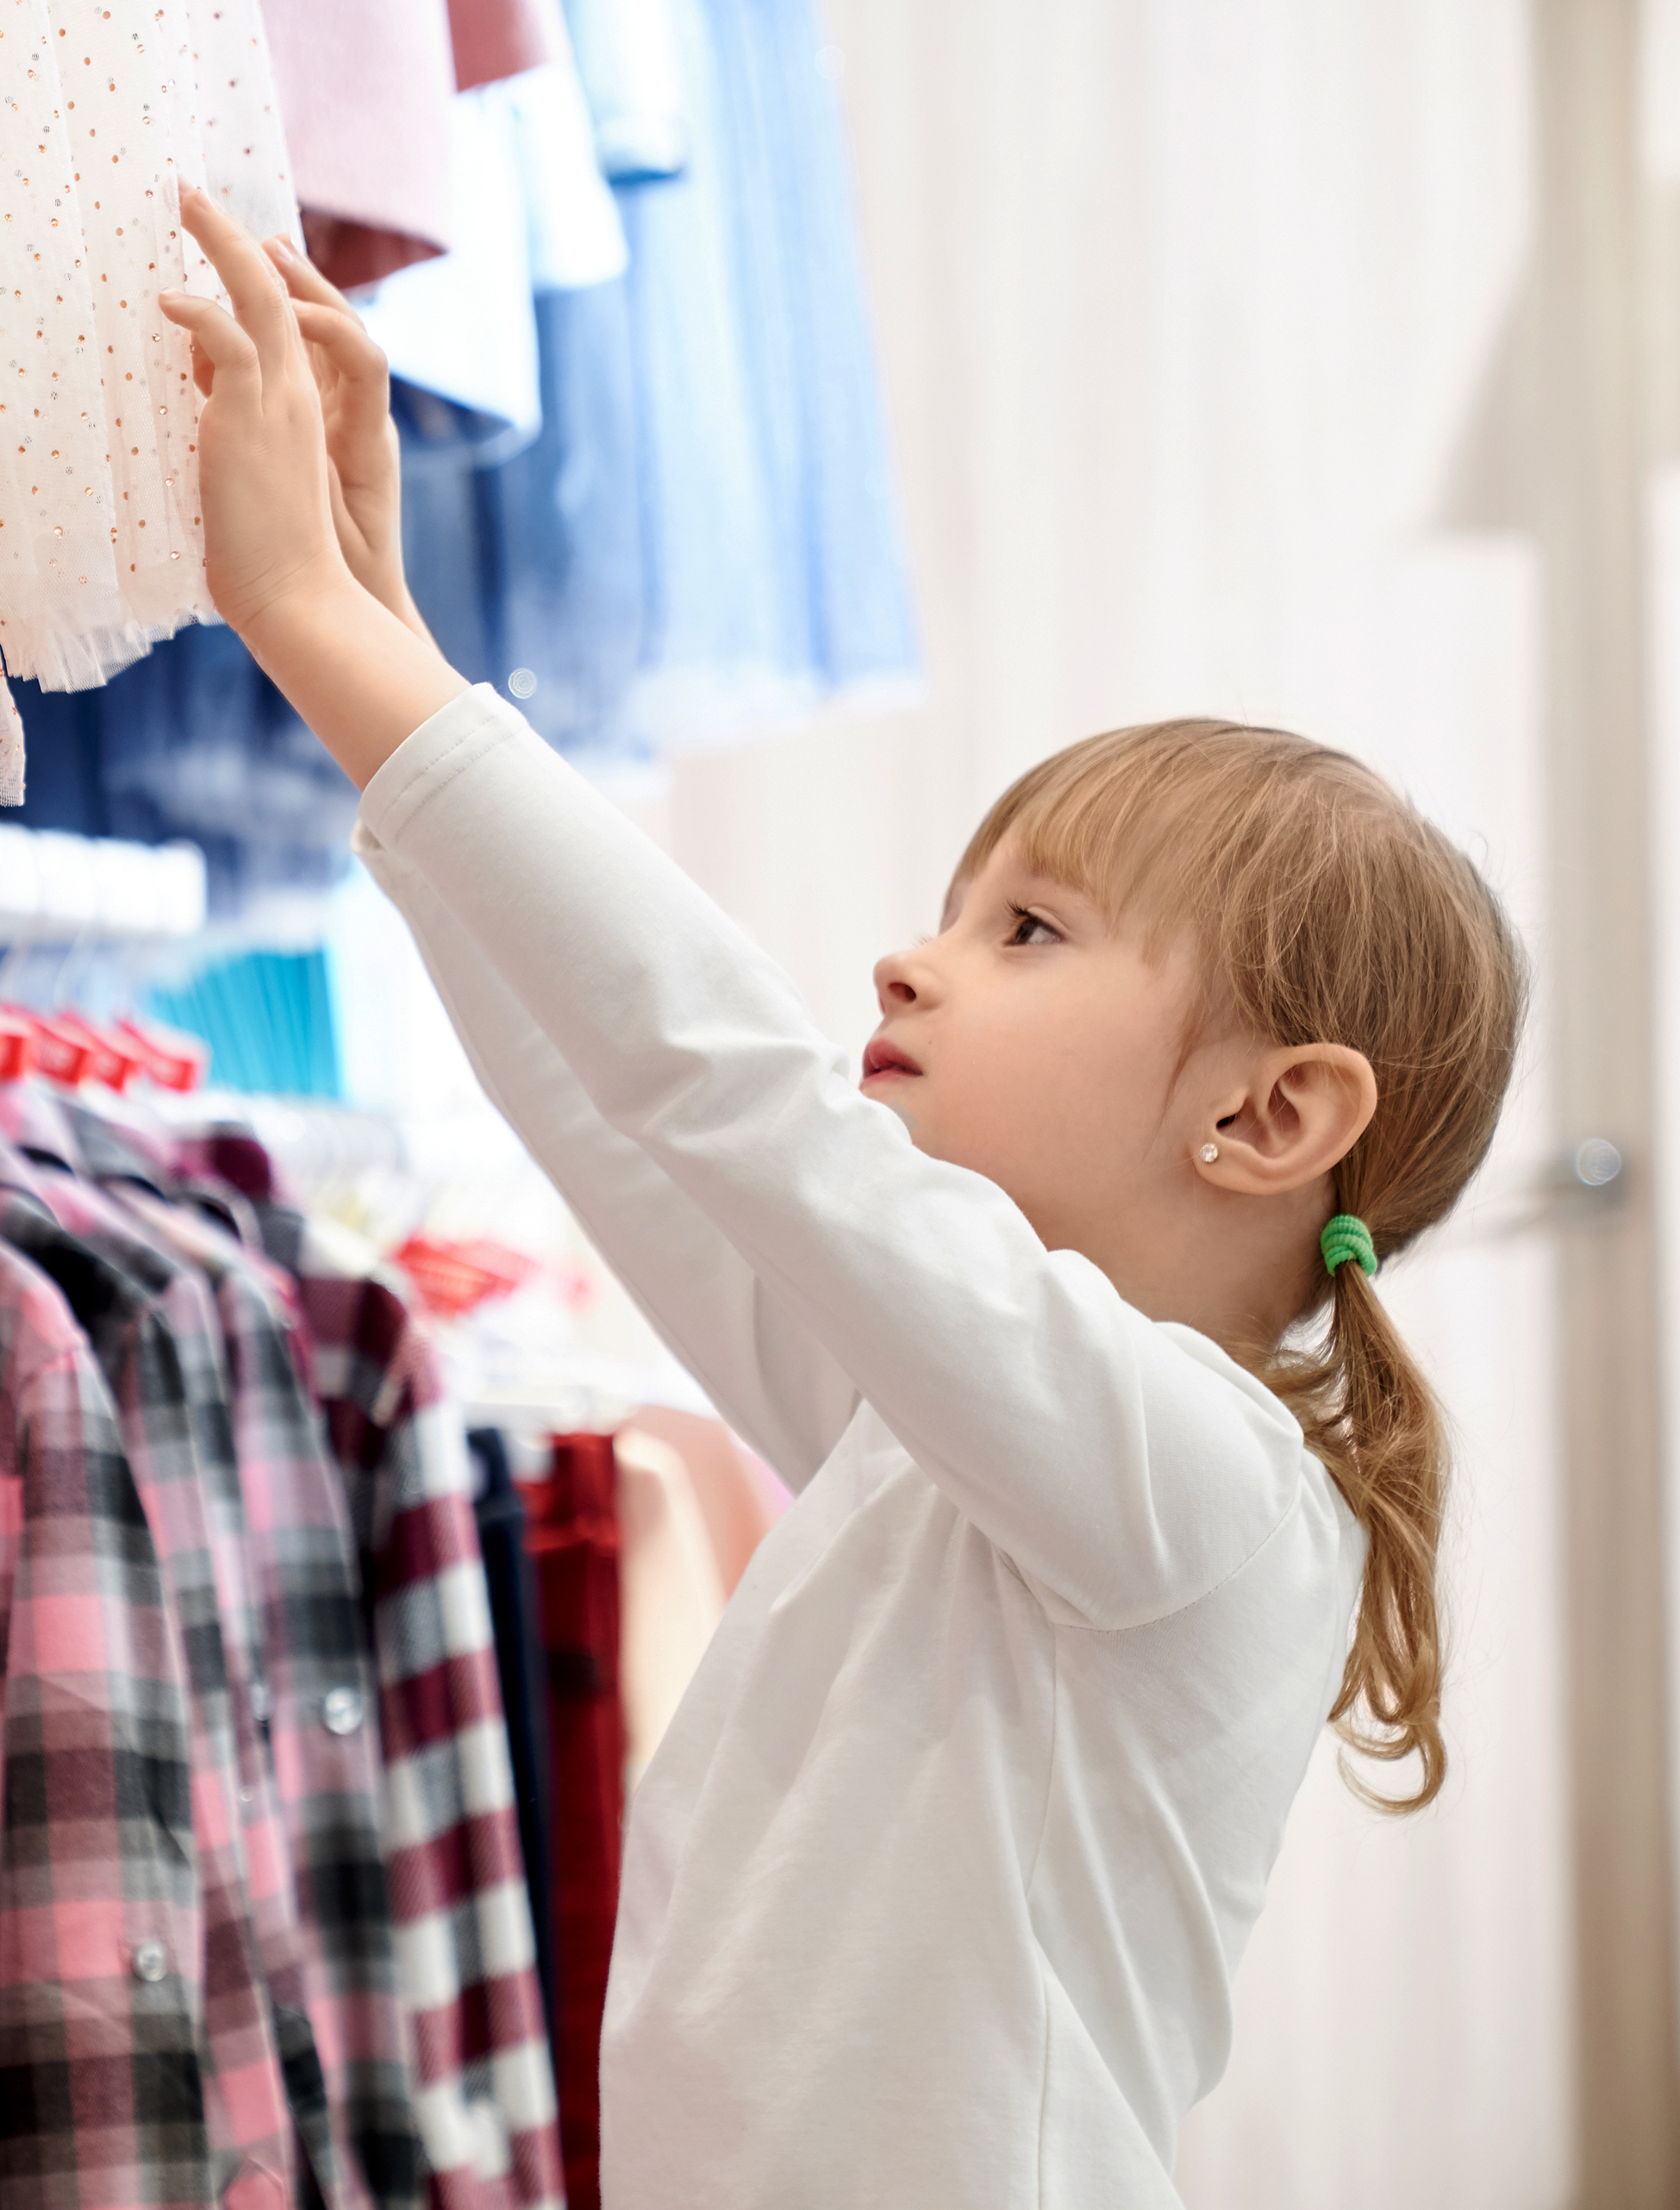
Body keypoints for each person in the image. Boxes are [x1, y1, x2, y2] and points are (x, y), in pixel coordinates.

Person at [154, 187, 1526, 2204]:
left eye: (1032, 933)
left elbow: (724, 1087)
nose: (910, 962)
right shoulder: (955, 1436)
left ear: (1269, 1116)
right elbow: (636, 1116)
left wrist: (322, 627)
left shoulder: (1196, 1487)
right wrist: (381, 617)